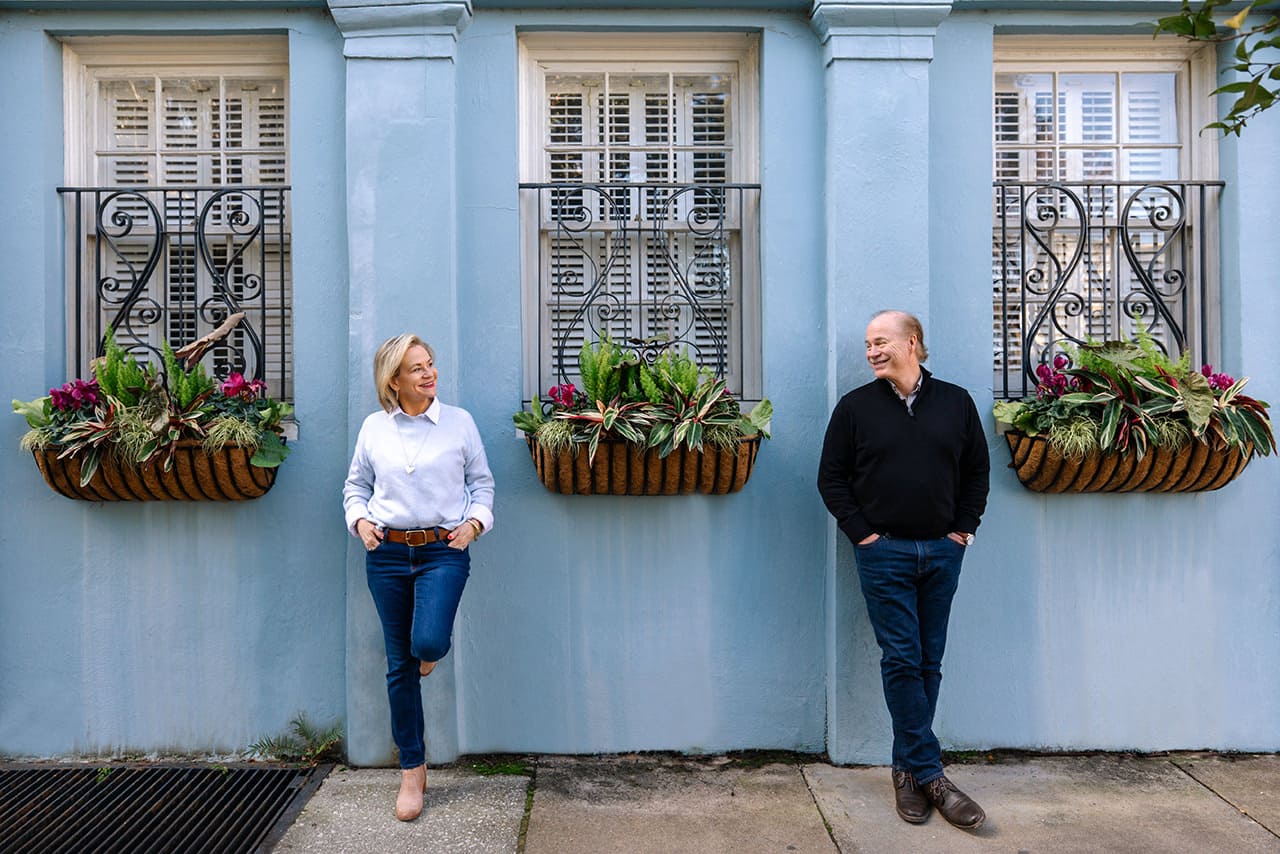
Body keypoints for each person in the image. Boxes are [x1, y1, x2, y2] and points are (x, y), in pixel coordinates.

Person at [817, 310, 990, 831]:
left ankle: (906, 771)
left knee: (929, 661)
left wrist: (962, 531)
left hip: (943, 552)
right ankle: (933, 776)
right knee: (901, 658)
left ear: (912, 342)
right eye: (868, 344)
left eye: (881, 342)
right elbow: (831, 478)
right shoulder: (855, 408)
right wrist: (864, 537)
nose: (871, 352)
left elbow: (977, 472)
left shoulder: (956, 402)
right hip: (884, 554)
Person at [343, 333, 495, 822]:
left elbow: (482, 484)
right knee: (399, 666)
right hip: (386, 554)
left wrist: (474, 525)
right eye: (417, 368)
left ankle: (426, 654)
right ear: (394, 380)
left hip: (442, 551)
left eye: (430, 364)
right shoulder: (374, 428)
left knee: (427, 642)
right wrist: (360, 522)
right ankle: (412, 769)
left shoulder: (459, 423)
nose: (429, 373)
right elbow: (356, 486)